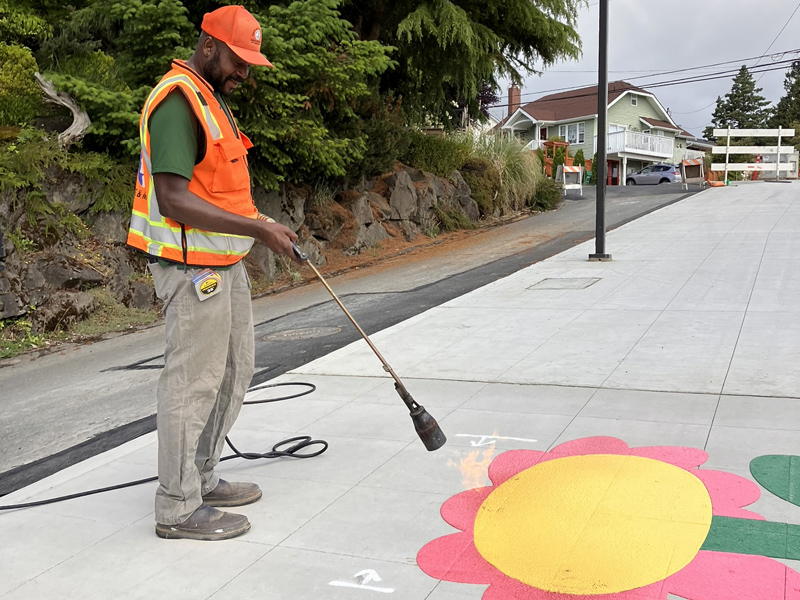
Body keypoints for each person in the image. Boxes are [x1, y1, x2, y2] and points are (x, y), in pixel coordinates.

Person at [127, 5, 300, 541]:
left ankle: (199, 476)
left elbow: (216, 190)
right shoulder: (177, 103)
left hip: (225, 263)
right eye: (239, 60)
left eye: (251, 62)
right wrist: (258, 233)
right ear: (209, 47)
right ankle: (177, 507)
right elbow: (176, 200)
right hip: (190, 269)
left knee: (234, 371)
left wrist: (262, 222)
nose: (245, 72)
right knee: (191, 383)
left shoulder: (211, 101)